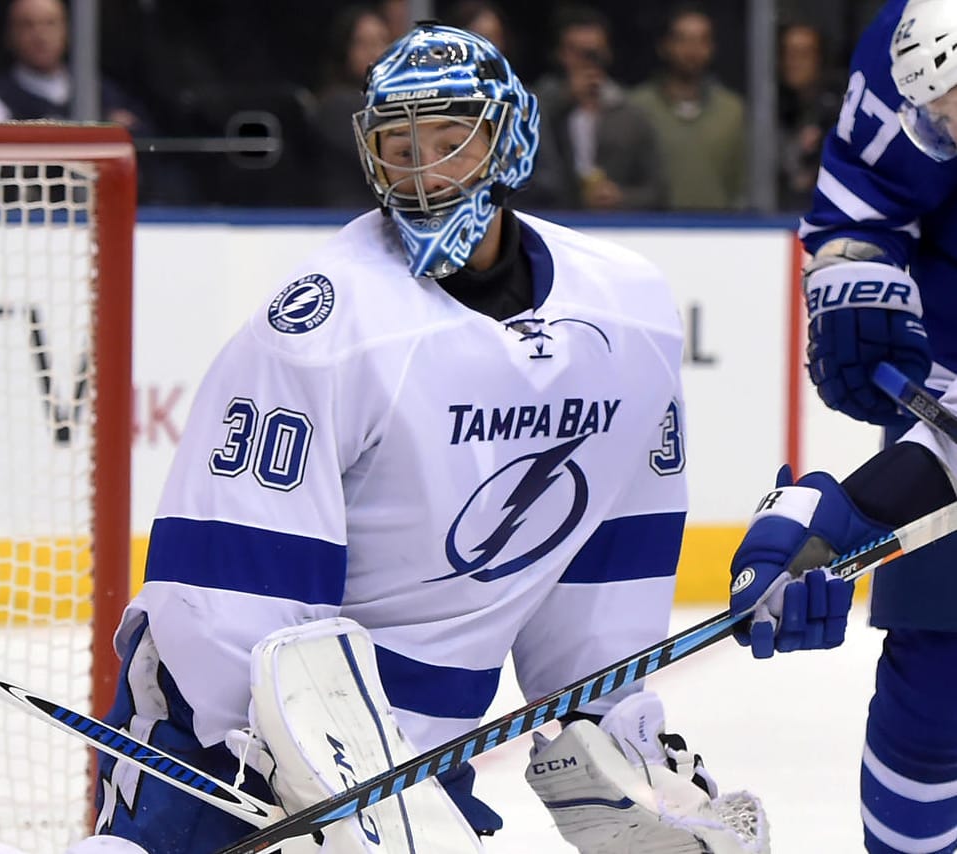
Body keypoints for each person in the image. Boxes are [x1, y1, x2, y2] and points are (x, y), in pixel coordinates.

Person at [54, 23, 752, 854]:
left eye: (451, 143)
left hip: (410, 756)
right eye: (399, 145)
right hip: (223, 746)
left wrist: (603, 719)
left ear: (509, 141)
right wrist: (298, 766)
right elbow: (232, 580)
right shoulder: (327, 324)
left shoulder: (625, 315)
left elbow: (608, 551)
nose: (422, 171)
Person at [728, 1, 957, 851]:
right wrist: (843, 514)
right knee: (933, 702)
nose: (940, 135)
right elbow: (871, 184)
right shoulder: (921, 34)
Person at [519, 4, 666, 211]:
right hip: (555, 221)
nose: (586, 60)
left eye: (593, 53)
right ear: (559, 53)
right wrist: (564, 98)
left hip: (617, 225)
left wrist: (622, 197)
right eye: (576, 51)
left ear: (607, 53)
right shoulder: (536, 105)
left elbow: (657, 190)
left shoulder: (631, 113)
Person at [629, 4, 746, 210]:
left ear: (712, 47)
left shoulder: (732, 111)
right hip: (648, 233)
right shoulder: (638, 107)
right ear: (664, 45)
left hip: (721, 234)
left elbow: (745, 187)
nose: (692, 50)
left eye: (702, 40)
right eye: (682, 39)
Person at [0, 0, 148, 132]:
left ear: (66, 32)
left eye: (50, 23)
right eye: (27, 25)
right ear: (9, 36)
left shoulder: (101, 92)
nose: (40, 35)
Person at [307, 5, 394, 207]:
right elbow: (387, 159)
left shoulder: (393, 99)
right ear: (344, 49)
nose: (375, 51)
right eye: (362, 43)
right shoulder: (335, 105)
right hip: (345, 217)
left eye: (382, 41)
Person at [777, 20, 844, 211]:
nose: (794, 62)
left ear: (820, 59)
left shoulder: (840, 110)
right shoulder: (770, 107)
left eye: (803, 54)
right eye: (788, 54)